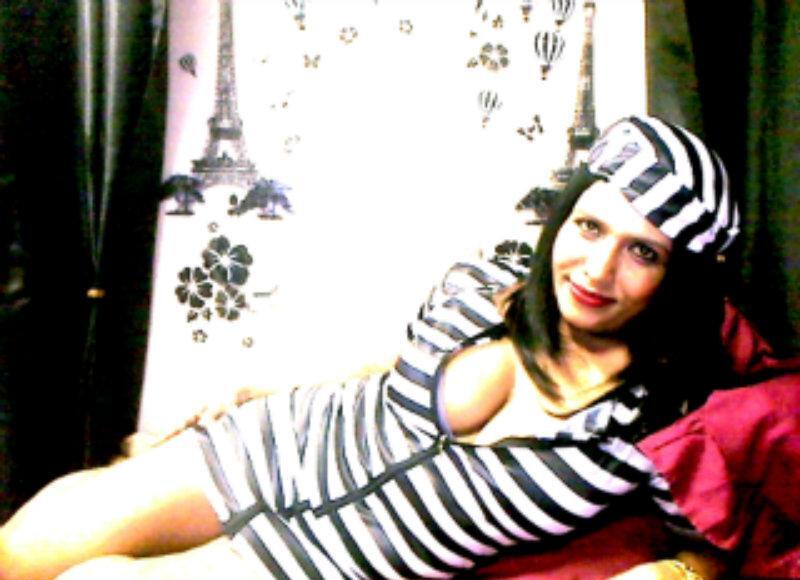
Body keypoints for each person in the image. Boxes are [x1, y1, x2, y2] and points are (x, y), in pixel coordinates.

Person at [0, 115, 764, 579]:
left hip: (330, 562)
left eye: (643, 252)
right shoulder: (480, 283)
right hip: (267, 450)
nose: (596, 269)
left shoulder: (664, 426)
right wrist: (252, 387)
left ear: (680, 277)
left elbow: (718, 546)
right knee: (24, 550)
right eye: (590, 227)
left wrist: (668, 575)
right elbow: (390, 362)